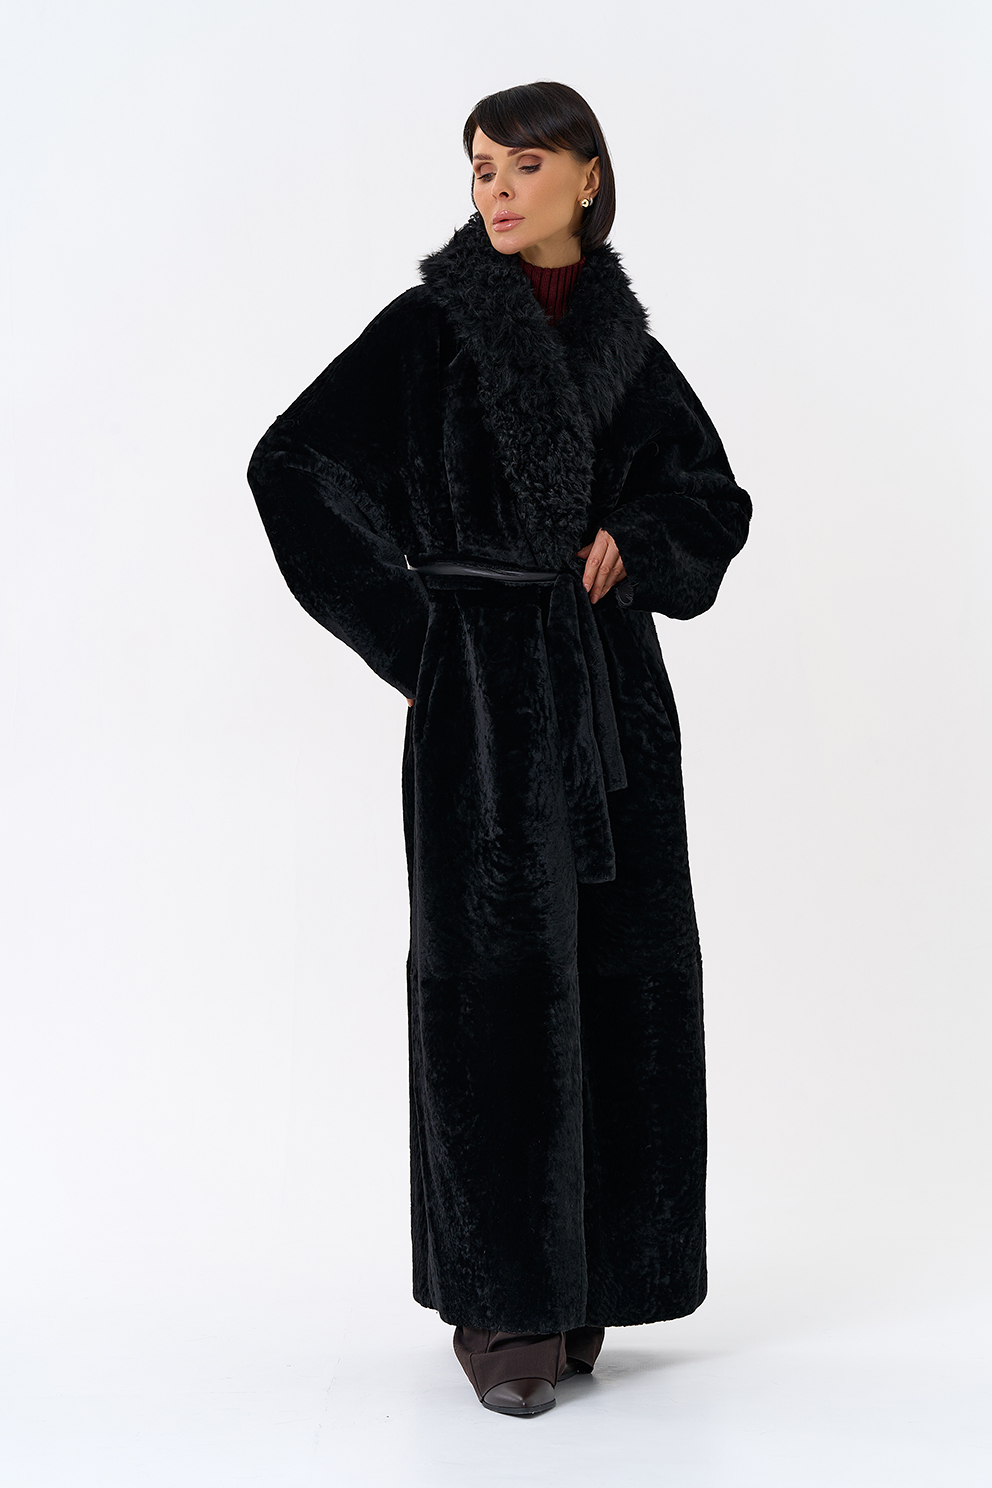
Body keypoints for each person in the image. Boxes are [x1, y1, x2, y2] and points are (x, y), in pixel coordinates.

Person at [247, 80, 751, 1418]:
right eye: (481, 169)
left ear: (589, 176)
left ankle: (591, 1277)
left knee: (622, 980)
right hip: (481, 700)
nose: (498, 190)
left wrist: (637, 540)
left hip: (610, 701)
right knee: (493, 989)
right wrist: (423, 641)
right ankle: (503, 1302)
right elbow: (292, 468)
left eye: (524, 165)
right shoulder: (431, 329)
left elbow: (712, 496)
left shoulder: (623, 341)